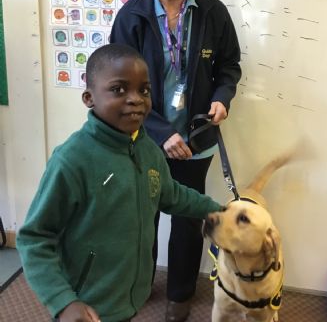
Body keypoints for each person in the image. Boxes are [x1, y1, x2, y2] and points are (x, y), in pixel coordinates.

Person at [16, 43, 222, 322]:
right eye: (118, 89)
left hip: (130, 296)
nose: (136, 99)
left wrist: (218, 210)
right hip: (85, 306)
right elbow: (34, 237)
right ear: (89, 98)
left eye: (144, 90)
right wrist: (62, 302)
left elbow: (171, 195)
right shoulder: (72, 160)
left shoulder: (148, 148)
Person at [110, 0, 241, 321]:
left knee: (187, 220)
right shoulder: (132, 16)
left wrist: (222, 99)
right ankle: (139, 283)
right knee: (141, 216)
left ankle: (180, 295)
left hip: (196, 139)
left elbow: (229, 66)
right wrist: (161, 133)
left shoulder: (214, 10)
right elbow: (116, 87)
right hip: (143, 140)